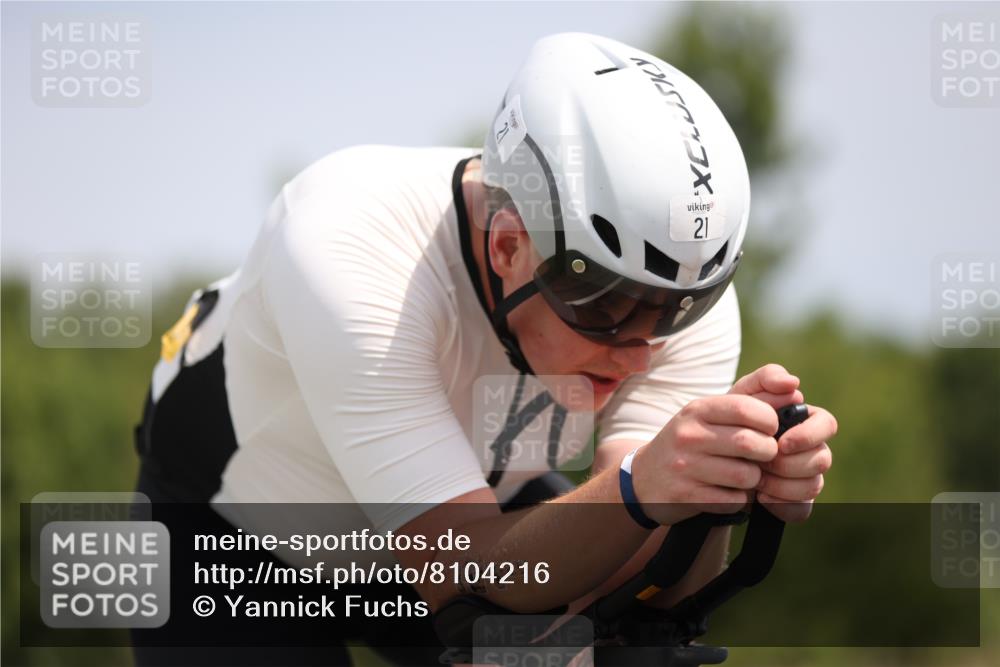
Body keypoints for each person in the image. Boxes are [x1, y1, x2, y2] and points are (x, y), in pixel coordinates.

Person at [131, 33, 837, 666]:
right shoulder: (349, 242)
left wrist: (719, 491)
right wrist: (640, 488)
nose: (638, 356)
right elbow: (461, 571)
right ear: (509, 246)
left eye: (673, 314)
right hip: (234, 536)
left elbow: (647, 591)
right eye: (608, 309)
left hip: (474, 507)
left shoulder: (668, 293)